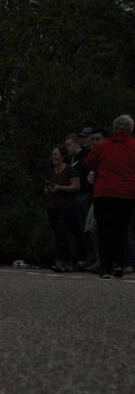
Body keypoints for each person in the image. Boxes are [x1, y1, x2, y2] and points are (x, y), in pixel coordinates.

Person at [83, 114, 135, 278]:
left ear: (114, 128)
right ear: (130, 129)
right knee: (121, 230)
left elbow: (88, 163)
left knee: (105, 230)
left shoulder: (102, 146)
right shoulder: (133, 146)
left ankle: (105, 267)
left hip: (104, 192)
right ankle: (119, 263)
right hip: (126, 194)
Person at [44, 146, 81, 272]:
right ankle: (61, 260)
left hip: (66, 206)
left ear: (62, 156)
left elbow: (76, 187)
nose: (54, 157)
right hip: (53, 206)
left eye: (56, 154)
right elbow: (47, 185)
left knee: (63, 233)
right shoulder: (50, 171)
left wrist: (60, 187)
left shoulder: (70, 170)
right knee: (57, 234)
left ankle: (66, 260)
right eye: (53, 154)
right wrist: (48, 189)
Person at [67, 130, 94, 266]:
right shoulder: (74, 158)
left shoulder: (85, 156)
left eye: (69, 145)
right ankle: (82, 256)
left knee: (86, 226)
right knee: (78, 227)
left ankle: (90, 256)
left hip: (84, 193)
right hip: (76, 194)